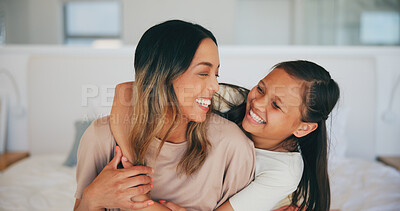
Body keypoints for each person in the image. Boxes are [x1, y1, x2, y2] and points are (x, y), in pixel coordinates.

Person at [74, 20, 255, 211]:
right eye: (203, 73)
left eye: (216, 75)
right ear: (162, 75)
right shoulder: (102, 138)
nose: (215, 87)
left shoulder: (232, 146)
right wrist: (91, 199)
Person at [111, 60, 340, 211]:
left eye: (276, 105)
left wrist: (142, 198)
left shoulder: (283, 172)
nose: (257, 103)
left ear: (303, 128)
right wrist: (133, 171)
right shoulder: (229, 99)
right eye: (261, 88)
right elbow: (127, 91)